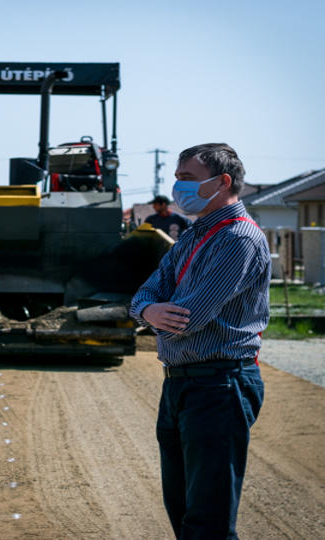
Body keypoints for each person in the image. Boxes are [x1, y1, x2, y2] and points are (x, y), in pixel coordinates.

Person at [129, 143, 269, 539]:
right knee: (183, 511)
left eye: (187, 179)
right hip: (181, 384)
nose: (178, 187)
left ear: (222, 182)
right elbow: (143, 295)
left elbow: (187, 319)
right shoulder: (194, 237)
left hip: (219, 386)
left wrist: (151, 313)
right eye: (176, 178)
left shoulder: (238, 239)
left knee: (207, 521)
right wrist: (148, 311)